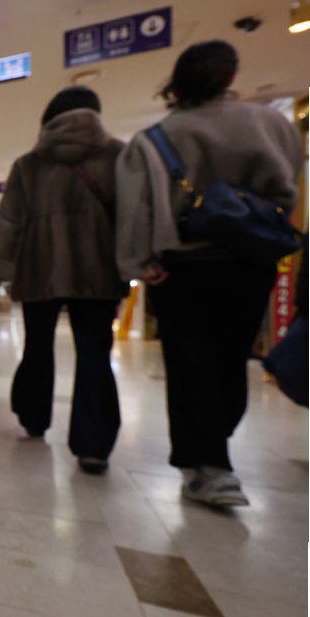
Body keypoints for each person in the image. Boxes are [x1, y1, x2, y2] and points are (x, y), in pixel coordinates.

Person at [116, 40, 302, 507]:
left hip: (184, 263)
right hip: (252, 259)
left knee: (189, 361)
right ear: (230, 76)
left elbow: (137, 211)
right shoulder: (273, 125)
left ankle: (210, 467)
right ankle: (214, 450)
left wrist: (140, 265)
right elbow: (288, 189)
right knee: (231, 357)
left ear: (176, 84)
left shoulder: (156, 138)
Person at [0, 86, 128, 474]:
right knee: (95, 352)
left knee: (37, 345)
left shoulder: (29, 165)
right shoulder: (117, 156)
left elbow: (9, 223)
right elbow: (132, 216)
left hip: (39, 271)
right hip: (98, 272)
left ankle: (34, 417)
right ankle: (93, 446)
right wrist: (137, 263)